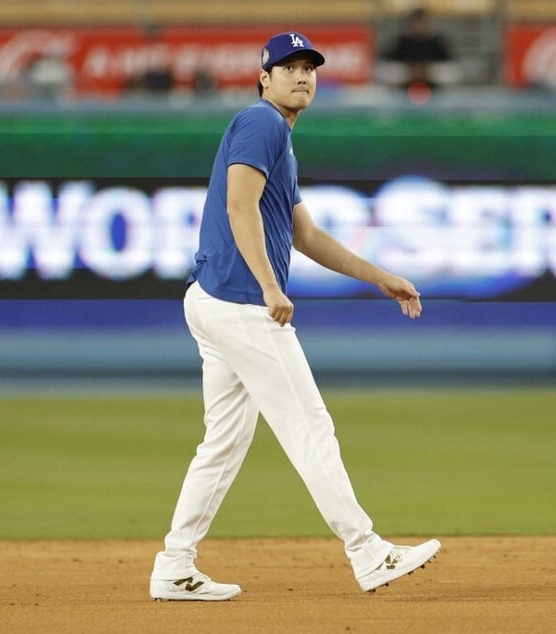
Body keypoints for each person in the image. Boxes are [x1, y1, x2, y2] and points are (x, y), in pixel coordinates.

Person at [148, 31, 441, 602]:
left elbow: (304, 234)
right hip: (240, 304)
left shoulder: (278, 136)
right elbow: (239, 205)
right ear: (265, 77)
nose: (302, 75)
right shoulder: (263, 123)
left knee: (223, 444)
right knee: (310, 428)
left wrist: (379, 276)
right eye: (289, 67)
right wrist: (267, 285)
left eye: (309, 67)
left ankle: (174, 565)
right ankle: (367, 551)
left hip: (212, 302)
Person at [382, 7, 453, 90]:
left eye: (422, 22)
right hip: (403, 93)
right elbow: (384, 71)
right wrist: (408, 71)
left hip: (434, 92)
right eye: (416, 22)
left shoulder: (437, 44)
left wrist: (429, 71)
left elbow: (452, 72)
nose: (419, 26)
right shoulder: (401, 43)